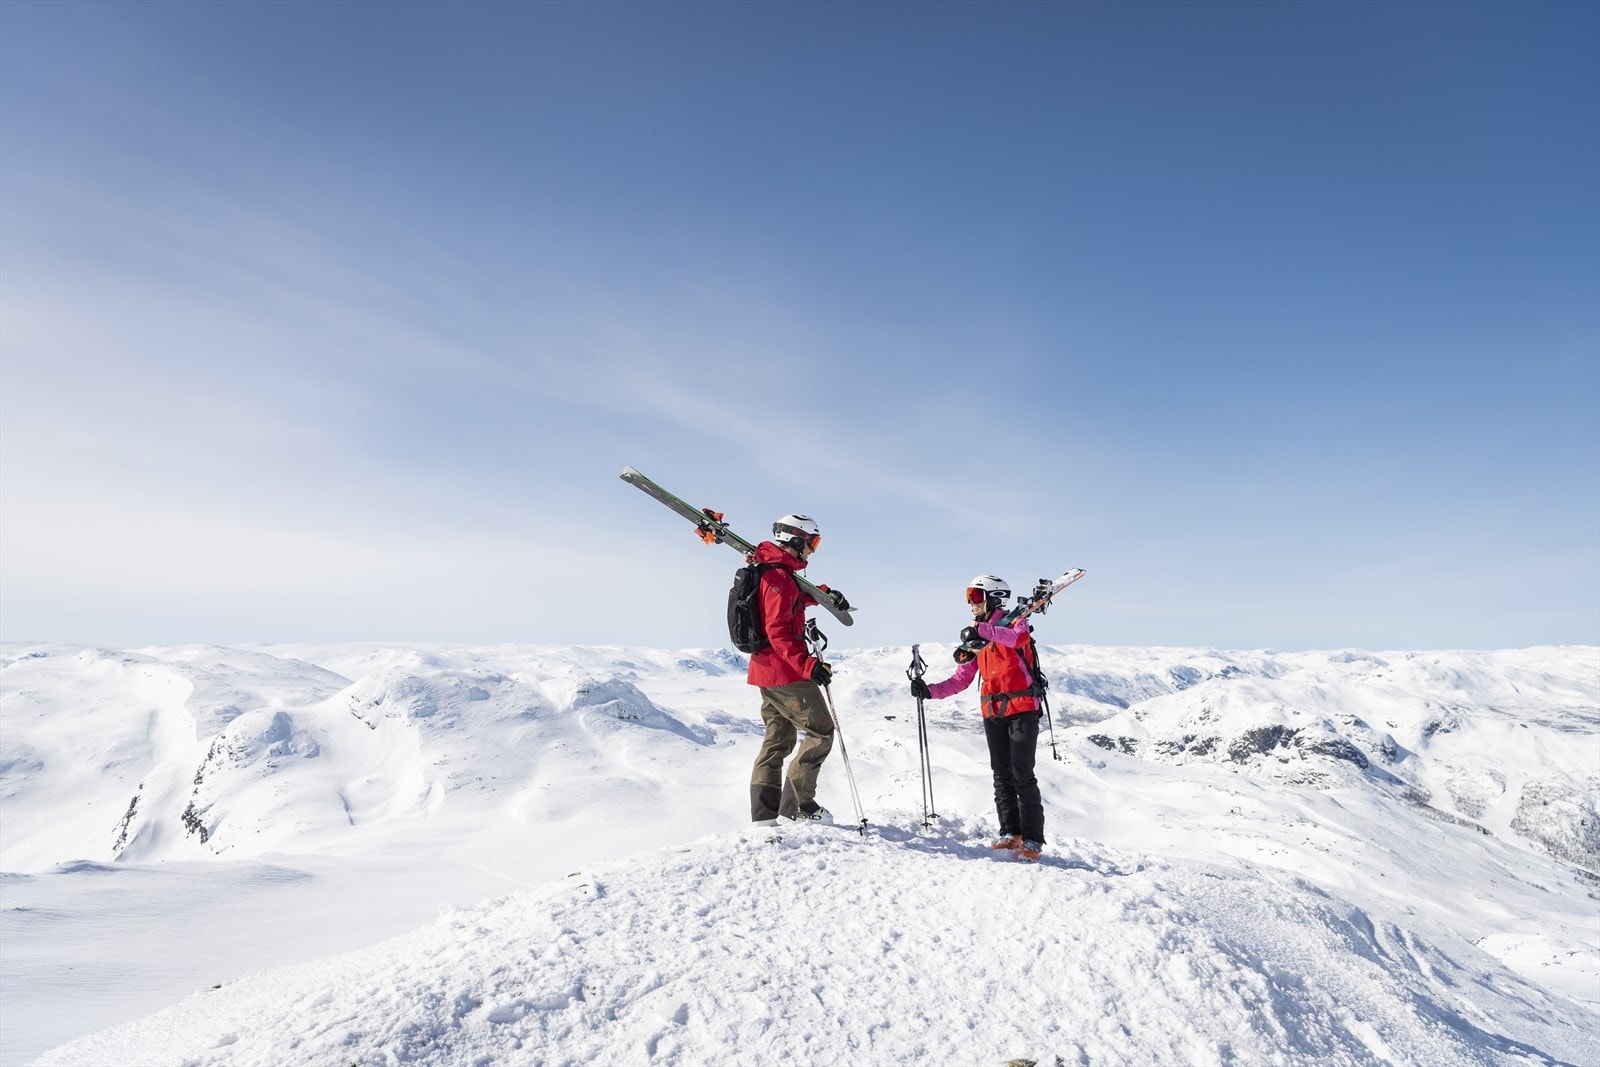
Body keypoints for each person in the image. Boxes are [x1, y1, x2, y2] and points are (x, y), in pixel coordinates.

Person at [910, 575, 1047, 860]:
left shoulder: (1014, 622)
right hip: (993, 711)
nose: (970, 603)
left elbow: (1016, 639)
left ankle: (1032, 840)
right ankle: (1010, 832)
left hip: (1023, 707)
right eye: (969, 597)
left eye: (974, 596)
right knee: (1001, 774)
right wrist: (929, 691)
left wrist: (983, 631)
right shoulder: (978, 637)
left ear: (991, 597)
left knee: (1023, 774)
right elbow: (961, 679)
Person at [747, 514, 850, 825]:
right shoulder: (777, 577)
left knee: (778, 739)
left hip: (766, 672)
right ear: (796, 540)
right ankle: (799, 807)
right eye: (812, 543)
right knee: (822, 732)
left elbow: (792, 604)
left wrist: (822, 594)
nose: (812, 550)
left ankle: (764, 817)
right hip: (785, 674)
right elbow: (778, 630)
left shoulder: (774, 572)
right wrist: (808, 666)